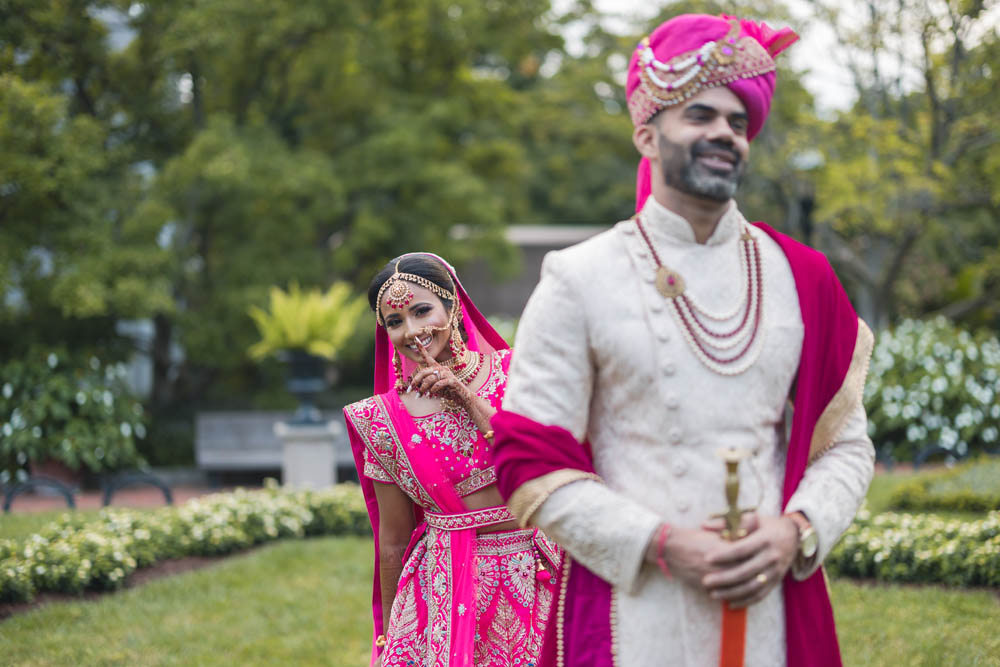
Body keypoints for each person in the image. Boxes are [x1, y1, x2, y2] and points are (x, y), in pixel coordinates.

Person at [491, 13, 875, 667]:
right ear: (646, 133)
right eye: (699, 115)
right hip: (634, 614)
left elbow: (845, 445)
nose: (724, 133)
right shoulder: (578, 277)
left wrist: (797, 529)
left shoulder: (801, 277)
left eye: (738, 121)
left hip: (771, 613)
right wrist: (662, 543)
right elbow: (531, 467)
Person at [344, 253, 559, 667]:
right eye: (395, 321)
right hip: (443, 590)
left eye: (422, 311)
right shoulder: (383, 419)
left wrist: (462, 394)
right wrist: (390, 640)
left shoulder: (517, 373)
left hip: (535, 571)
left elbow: (539, 458)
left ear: (453, 305)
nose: (412, 331)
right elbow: (392, 541)